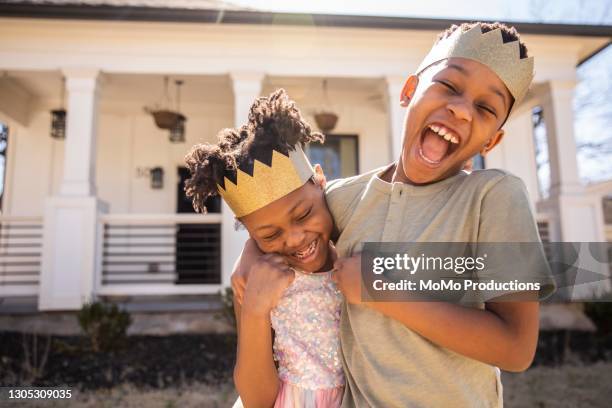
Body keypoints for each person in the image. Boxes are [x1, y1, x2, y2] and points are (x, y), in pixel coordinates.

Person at [233, 22, 556, 407]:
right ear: (408, 91)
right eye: (450, 86)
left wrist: (383, 292)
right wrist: (248, 256)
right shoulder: (344, 199)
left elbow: (517, 348)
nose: (461, 110)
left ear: (492, 139)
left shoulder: (494, 197)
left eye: (486, 108)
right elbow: (286, 223)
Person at [184, 89, 345, 408]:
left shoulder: (354, 241)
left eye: (303, 214)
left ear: (320, 180)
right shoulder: (257, 281)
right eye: (269, 235)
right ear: (251, 233)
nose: (295, 238)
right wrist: (255, 309)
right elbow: (256, 399)